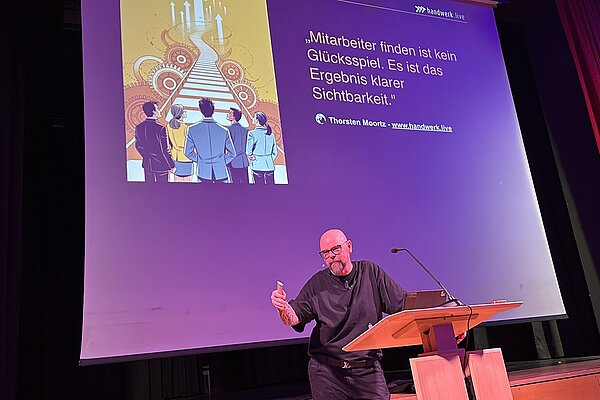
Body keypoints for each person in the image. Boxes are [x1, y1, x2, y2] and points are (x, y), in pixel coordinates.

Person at [271, 229, 406, 400]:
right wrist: (283, 307)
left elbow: (401, 306)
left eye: (335, 249)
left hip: (367, 370)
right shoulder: (317, 283)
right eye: (325, 253)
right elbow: (294, 317)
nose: (331, 256)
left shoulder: (370, 272)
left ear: (349, 246)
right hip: (328, 374)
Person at [184, 98, 235, 183]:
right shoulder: (224, 130)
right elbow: (232, 153)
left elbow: (187, 152)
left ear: (200, 110)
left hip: (203, 172)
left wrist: (200, 160)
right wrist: (222, 161)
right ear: (213, 110)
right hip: (221, 172)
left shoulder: (192, 129)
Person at [134, 101, 175, 183]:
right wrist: (171, 165)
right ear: (154, 112)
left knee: (149, 189)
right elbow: (164, 149)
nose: (159, 111)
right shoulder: (160, 128)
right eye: (157, 109)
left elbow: (138, 146)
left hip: (147, 164)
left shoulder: (139, 127)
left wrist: (146, 156)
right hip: (161, 165)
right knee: (163, 189)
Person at [246, 111, 277, 184]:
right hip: (269, 166)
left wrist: (254, 158)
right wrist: (269, 159)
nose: (252, 118)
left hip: (257, 166)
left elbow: (248, 151)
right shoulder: (271, 134)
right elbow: (275, 152)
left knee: (259, 189)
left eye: (254, 117)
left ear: (257, 120)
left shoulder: (252, 133)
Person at [166, 104, 193, 182]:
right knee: (187, 182)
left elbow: (168, 143)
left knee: (177, 181)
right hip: (186, 157)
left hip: (175, 156)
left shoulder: (169, 126)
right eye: (183, 111)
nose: (185, 112)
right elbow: (188, 143)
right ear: (180, 113)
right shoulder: (184, 127)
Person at [226, 107, 249, 184]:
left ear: (234, 116)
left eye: (230, 113)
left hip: (233, 162)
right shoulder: (245, 130)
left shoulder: (228, 130)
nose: (227, 114)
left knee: (234, 186)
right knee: (245, 185)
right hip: (243, 162)